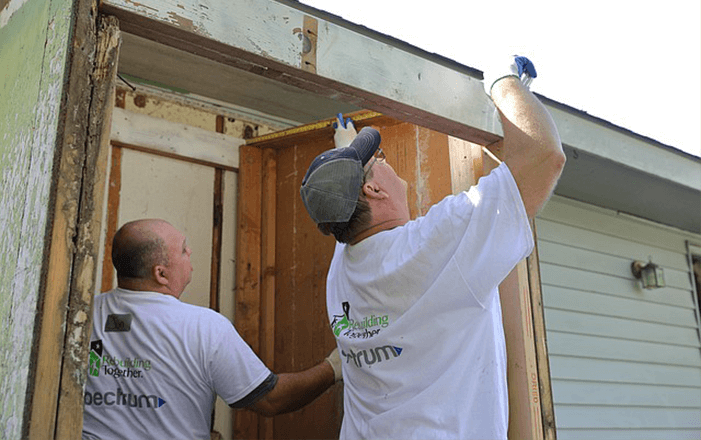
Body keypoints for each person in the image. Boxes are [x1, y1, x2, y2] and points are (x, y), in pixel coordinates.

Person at [299, 55, 566, 439]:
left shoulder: (342, 270)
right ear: (372, 189)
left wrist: (347, 151)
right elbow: (545, 156)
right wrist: (504, 82)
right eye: (381, 160)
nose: (390, 166)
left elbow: (345, 213)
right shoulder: (434, 246)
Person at [82, 218, 342, 440]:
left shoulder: (84, 316)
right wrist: (332, 368)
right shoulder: (203, 327)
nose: (190, 253)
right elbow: (271, 399)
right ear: (161, 274)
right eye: (183, 250)